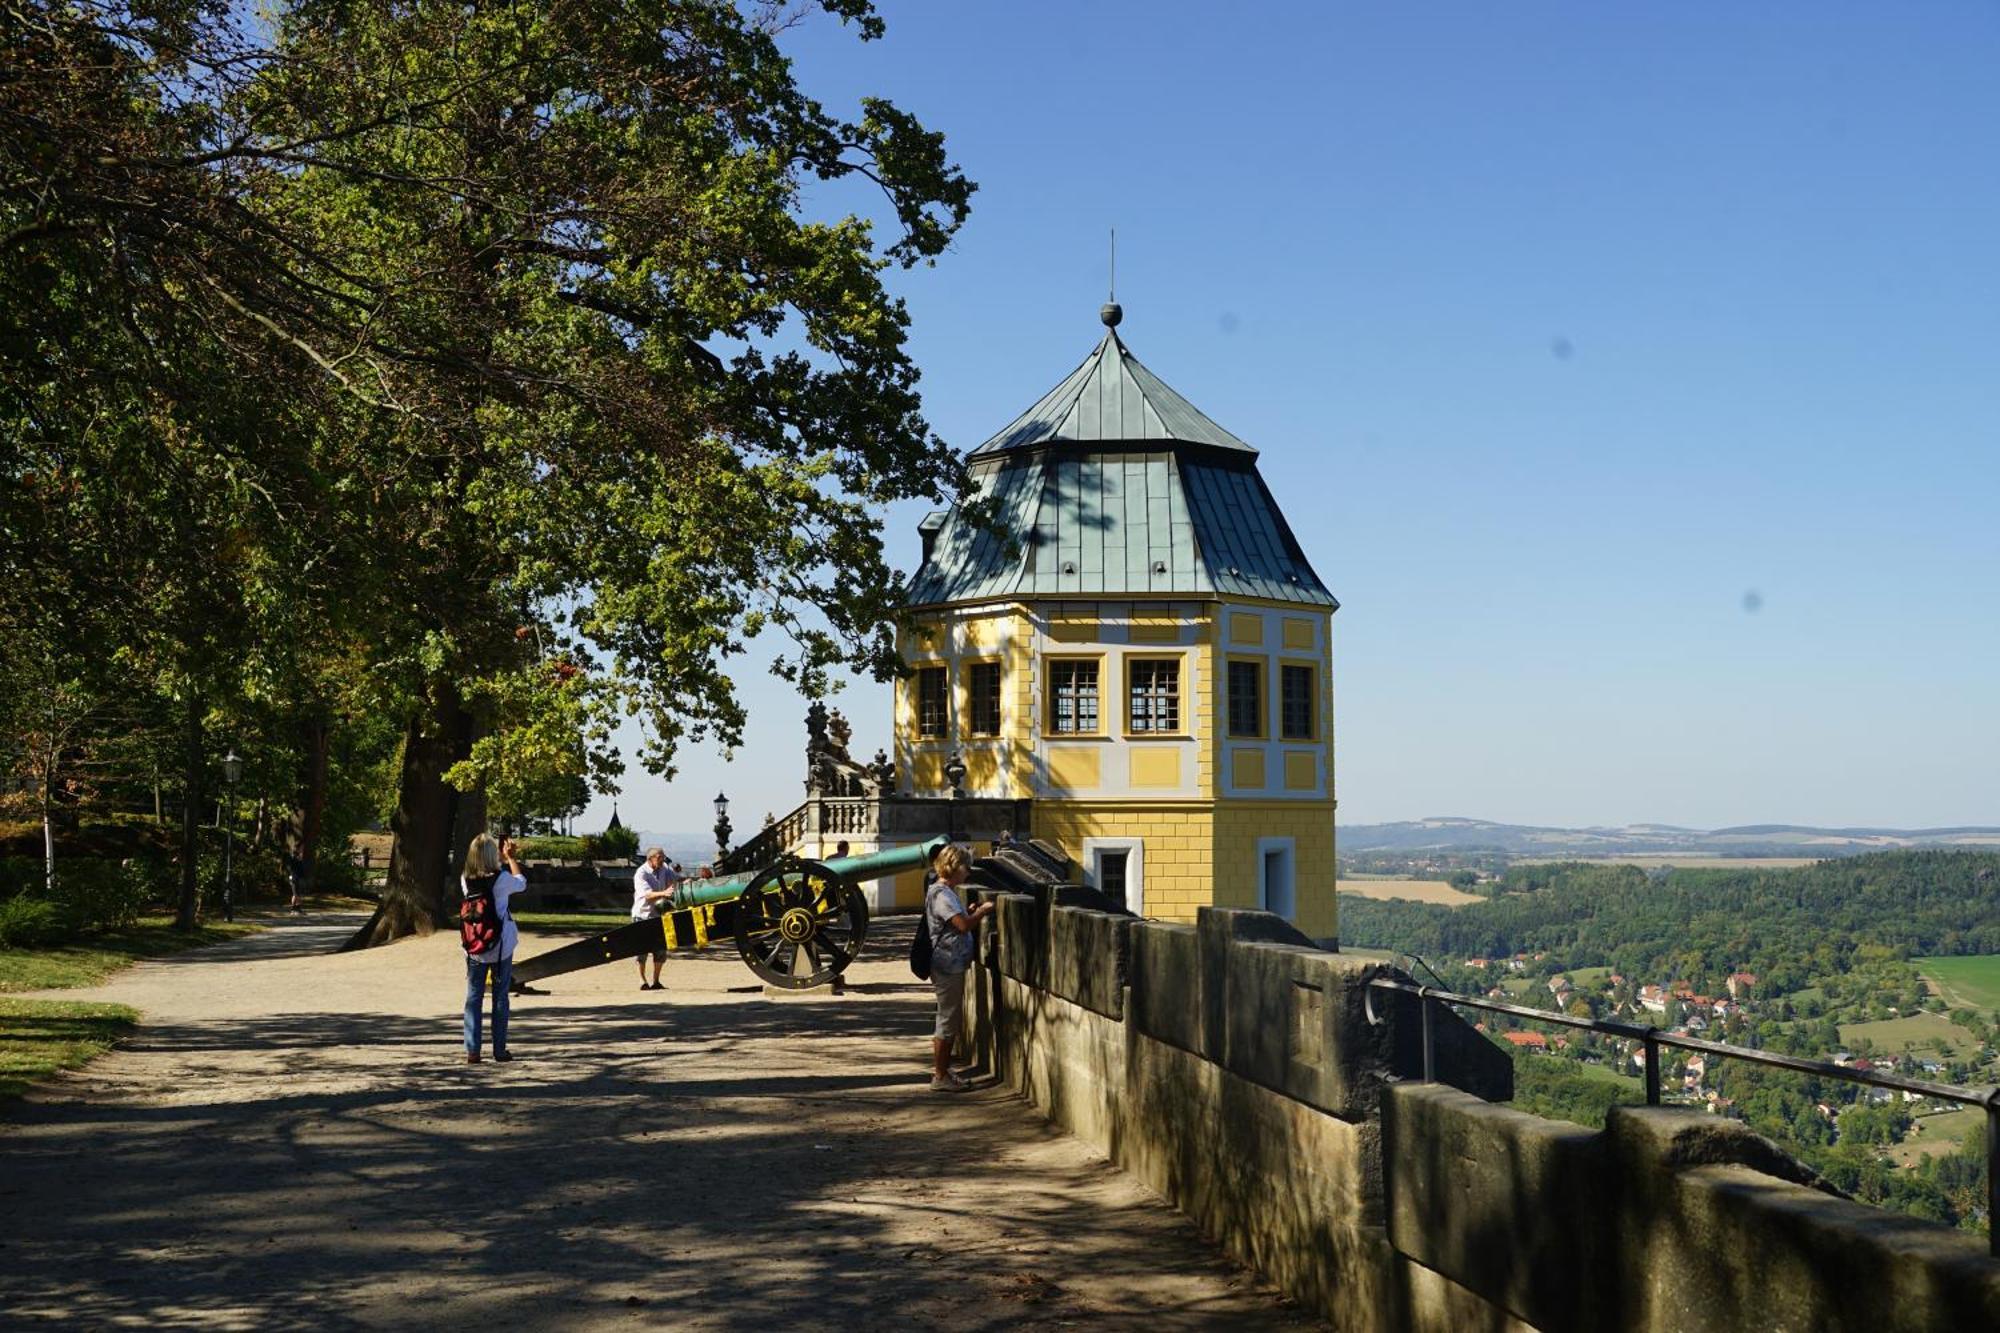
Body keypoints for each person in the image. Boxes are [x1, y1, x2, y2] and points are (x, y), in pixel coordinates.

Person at [925, 843, 993, 1092]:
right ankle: (940, 1076)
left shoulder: (944, 891)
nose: (968, 872)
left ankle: (942, 1071)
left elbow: (956, 922)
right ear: (953, 867)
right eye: (966, 866)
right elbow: (962, 926)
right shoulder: (942, 893)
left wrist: (970, 911)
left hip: (950, 961)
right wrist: (982, 912)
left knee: (948, 1018)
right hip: (947, 963)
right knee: (947, 1020)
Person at [463, 833, 528, 1064]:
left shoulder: (466, 879)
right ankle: (499, 1049)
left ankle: (473, 1049)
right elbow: (521, 883)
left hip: (475, 945)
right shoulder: (501, 879)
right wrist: (510, 858)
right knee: (500, 997)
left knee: (473, 997)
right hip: (500, 944)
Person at [631, 846, 679, 991]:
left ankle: (656, 981)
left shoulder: (664, 868)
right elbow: (647, 895)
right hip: (643, 915)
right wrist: (664, 892)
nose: (662, 860)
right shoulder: (641, 873)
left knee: (660, 950)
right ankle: (642, 980)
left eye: (663, 857)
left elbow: (675, 882)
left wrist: (682, 884)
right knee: (642, 950)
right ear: (650, 859)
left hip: (660, 915)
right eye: (659, 857)